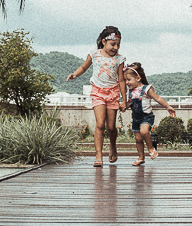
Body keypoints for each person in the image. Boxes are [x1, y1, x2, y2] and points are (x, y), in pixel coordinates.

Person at [67, 27, 126, 167]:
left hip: (113, 93)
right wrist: (75, 74)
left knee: (111, 127)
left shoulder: (119, 59)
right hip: (98, 93)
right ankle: (98, 154)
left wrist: (125, 99)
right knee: (100, 124)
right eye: (113, 44)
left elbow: (121, 80)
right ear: (104, 41)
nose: (115, 47)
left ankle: (113, 145)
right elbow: (84, 67)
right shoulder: (94, 54)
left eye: (118, 44)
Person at [124, 62, 176, 166]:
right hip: (136, 118)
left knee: (144, 132)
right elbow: (128, 103)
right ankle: (141, 157)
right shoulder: (130, 91)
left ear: (138, 78)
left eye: (129, 80)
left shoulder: (146, 89)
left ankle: (151, 148)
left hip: (146, 117)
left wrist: (167, 106)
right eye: (125, 80)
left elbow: (157, 98)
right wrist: (123, 106)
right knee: (138, 139)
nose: (126, 82)